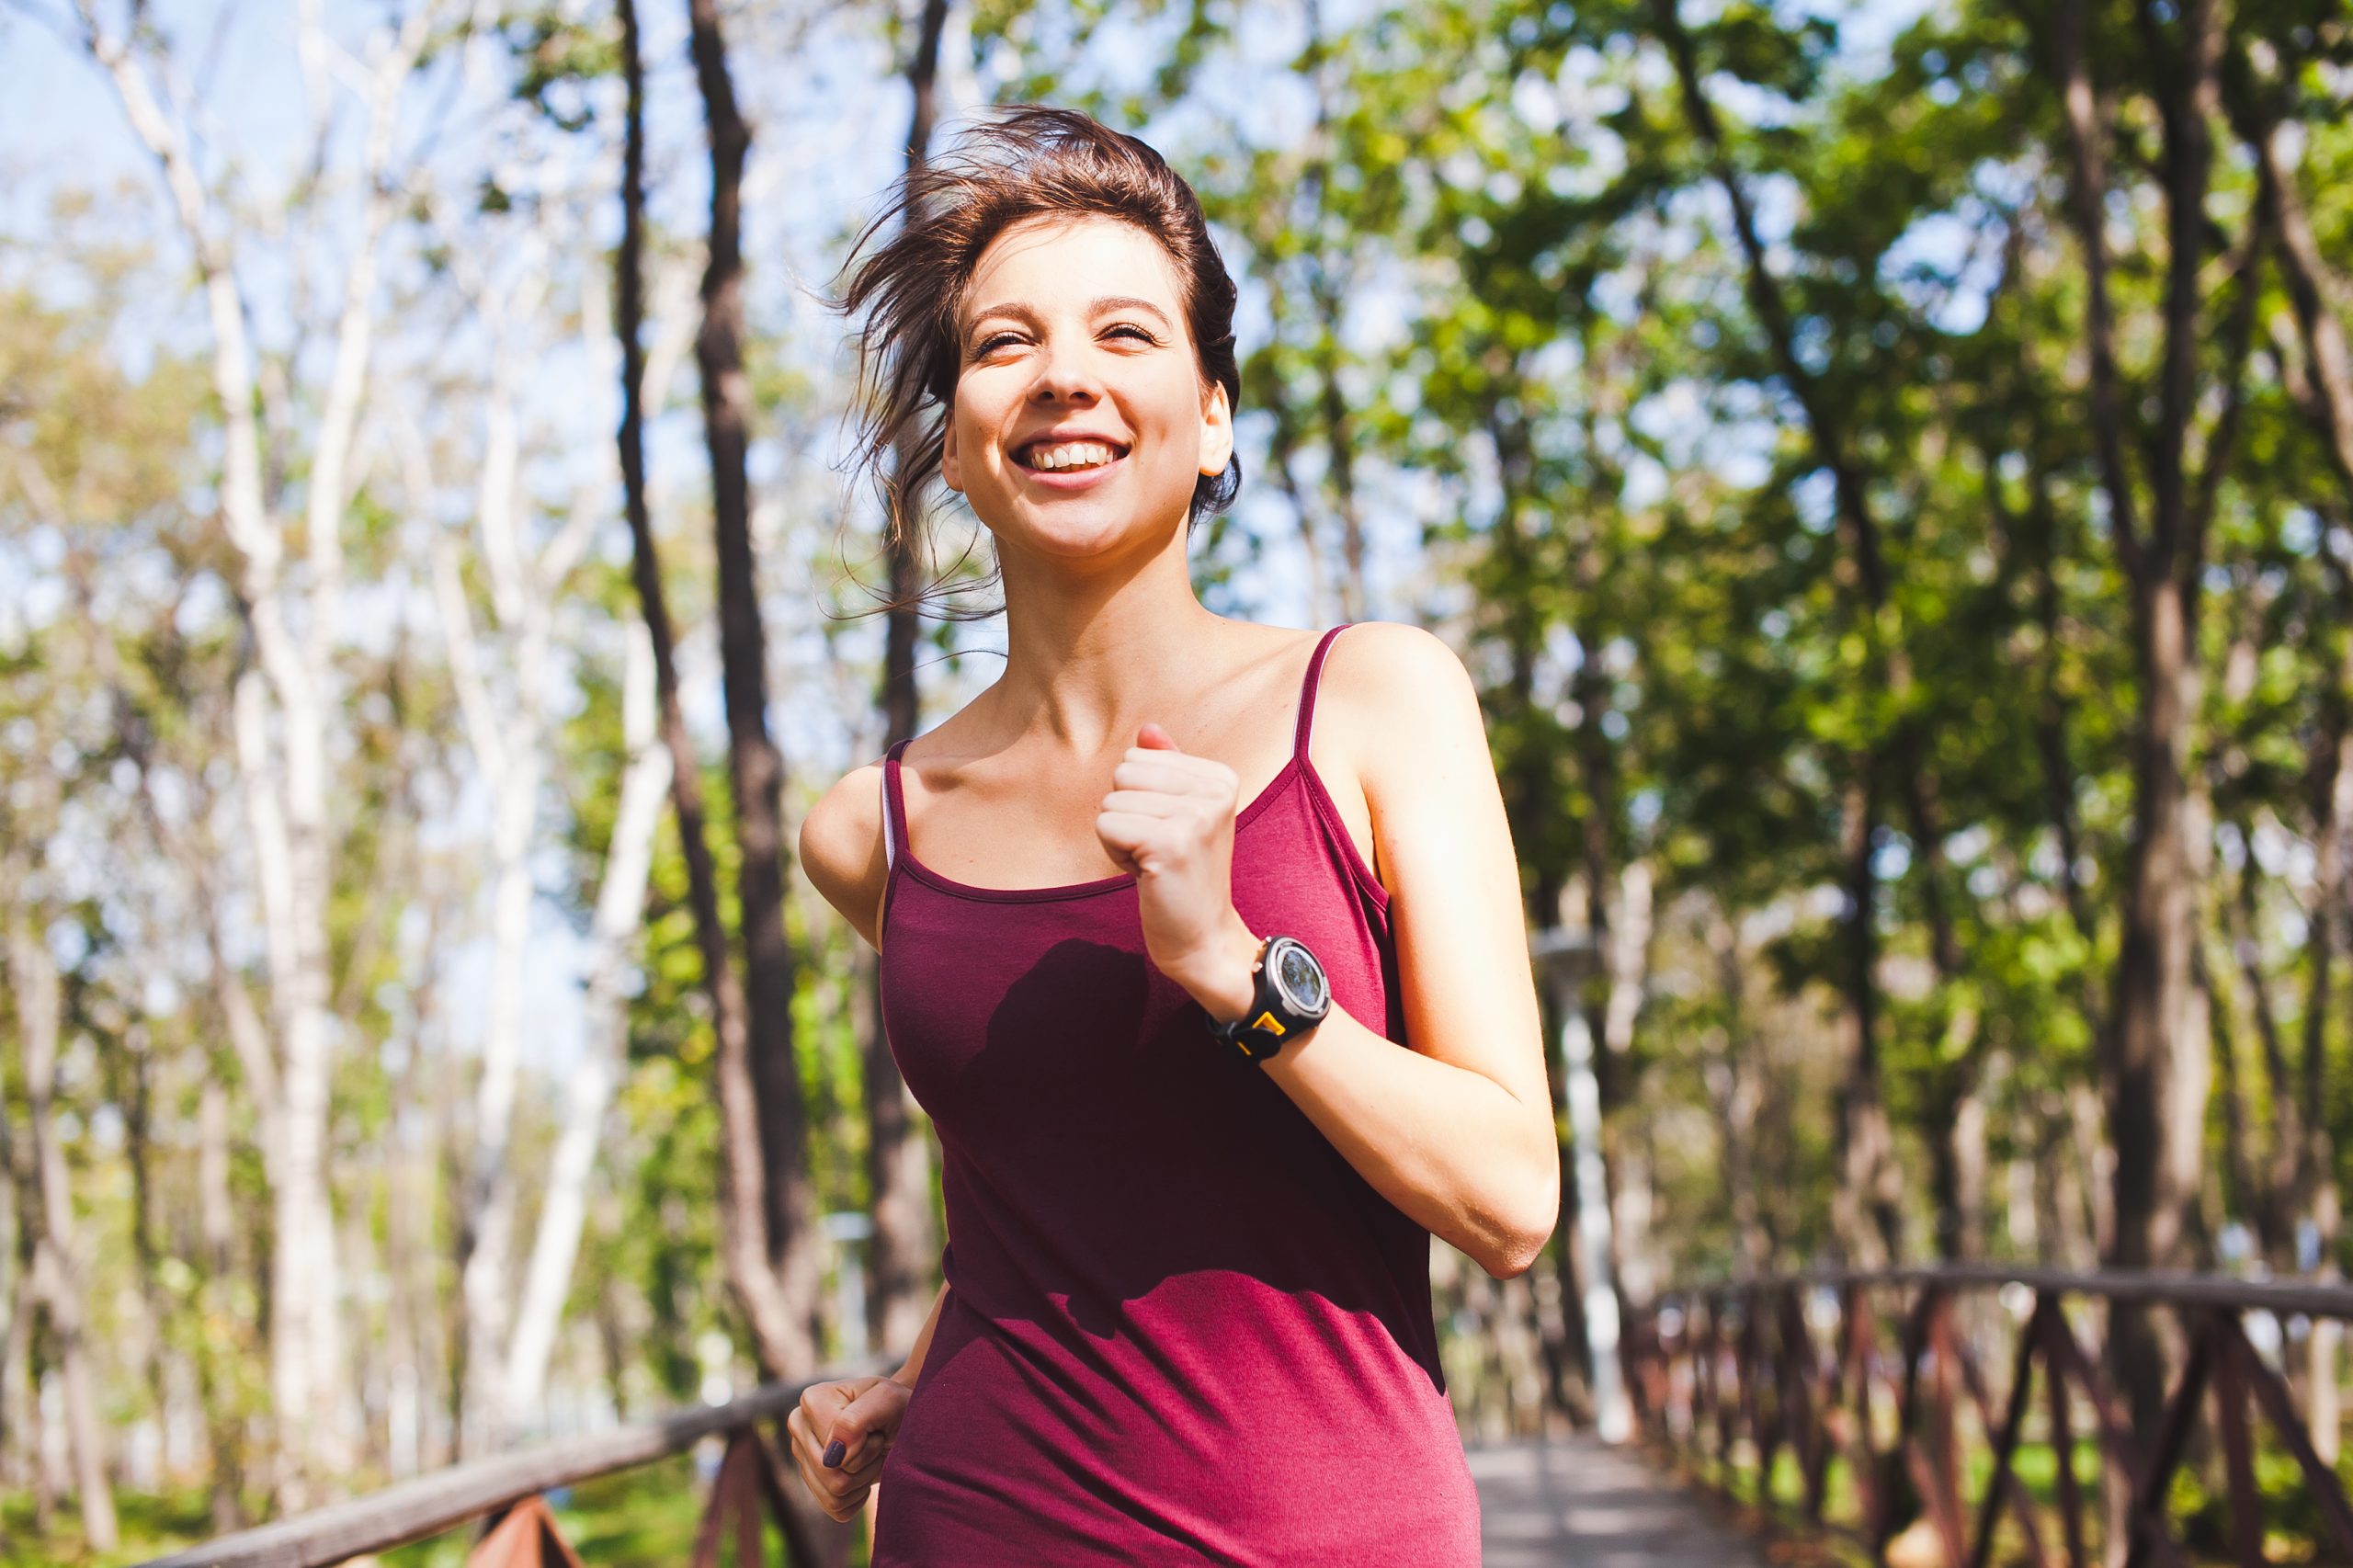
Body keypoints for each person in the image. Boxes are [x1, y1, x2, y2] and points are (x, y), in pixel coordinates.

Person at [787, 104, 1557, 1565]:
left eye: (1126, 335)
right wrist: (903, 1381)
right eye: (1005, 345)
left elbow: (1511, 1197)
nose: (1064, 375)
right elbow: (1053, 1181)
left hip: (1333, 1536)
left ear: (1213, 414)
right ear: (957, 441)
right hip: (976, 1523)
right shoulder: (872, 827)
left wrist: (1237, 971)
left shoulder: (1377, 701)